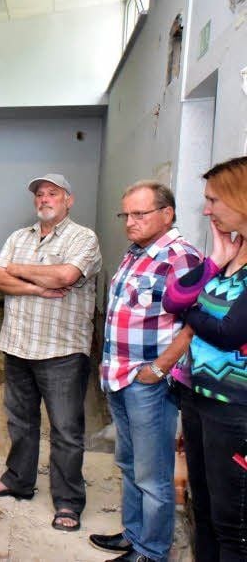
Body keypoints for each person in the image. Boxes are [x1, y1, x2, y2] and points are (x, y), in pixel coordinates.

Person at [0, 174, 101, 533]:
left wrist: (17, 269)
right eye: (40, 194)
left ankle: (67, 501)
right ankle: (18, 479)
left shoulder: (84, 238)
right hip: (18, 345)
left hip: (61, 350)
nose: (45, 199)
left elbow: (65, 275)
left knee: (65, 429)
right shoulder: (19, 237)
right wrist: (36, 286)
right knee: (20, 422)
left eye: (53, 193)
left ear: (69, 199)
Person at [88, 181, 201, 562]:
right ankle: (134, 536)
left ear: (166, 214)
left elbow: (193, 326)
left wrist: (156, 369)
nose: (130, 222)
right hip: (119, 376)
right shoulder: (136, 253)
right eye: (127, 215)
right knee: (129, 463)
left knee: (153, 475)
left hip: (147, 383)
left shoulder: (181, 257)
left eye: (140, 214)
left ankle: (152, 552)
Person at [163, 156, 247, 562]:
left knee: (235, 526)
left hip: (236, 411)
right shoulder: (232, 257)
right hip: (199, 399)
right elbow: (173, 298)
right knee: (207, 512)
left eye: (214, 200)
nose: (207, 209)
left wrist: (192, 312)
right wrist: (215, 259)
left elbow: (231, 331)